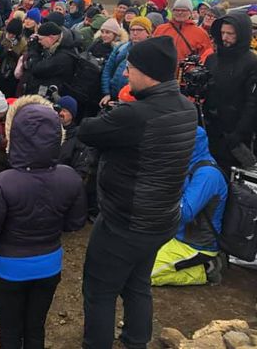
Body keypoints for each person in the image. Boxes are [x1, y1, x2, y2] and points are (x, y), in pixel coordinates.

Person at [78, 36, 198, 349]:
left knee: (99, 290)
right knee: (137, 283)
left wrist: (115, 115)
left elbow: (88, 131)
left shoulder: (135, 115)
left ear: (148, 72)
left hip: (125, 221)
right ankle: (135, 341)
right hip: (161, 217)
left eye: (130, 68)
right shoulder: (187, 108)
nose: (127, 74)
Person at [0, 95, 86, 348]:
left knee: (10, 332)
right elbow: (75, 222)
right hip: (48, 265)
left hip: (8, 268)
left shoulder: (1, 183)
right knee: (35, 329)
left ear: (15, 135)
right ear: (57, 136)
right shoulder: (69, 178)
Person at [151, 127, 227, 286]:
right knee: (129, 260)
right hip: (174, 235)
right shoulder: (187, 164)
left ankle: (205, 269)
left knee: (144, 275)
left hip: (194, 245)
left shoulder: (208, 175)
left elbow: (185, 213)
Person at [204, 12, 257, 169]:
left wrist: (238, 134)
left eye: (230, 34)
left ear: (241, 34)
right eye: (223, 33)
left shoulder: (254, 64)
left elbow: (255, 103)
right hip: (211, 129)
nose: (225, 38)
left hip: (237, 135)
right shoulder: (212, 60)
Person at [99, 16, 152, 106]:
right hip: (114, 96)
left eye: (139, 30)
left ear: (148, 32)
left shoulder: (152, 52)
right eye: (132, 29)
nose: (135, 33)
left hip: (135, 101)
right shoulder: (120, 48)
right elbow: (108, 69)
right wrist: (107, 93)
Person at [19, 22, 77, 97]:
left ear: (51, 37)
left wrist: (33, 50)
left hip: (49, 97)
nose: (39, 42)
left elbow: (37, 69)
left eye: (40, 39)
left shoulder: (63, 57)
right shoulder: (55, 48)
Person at [153, 0, 212, 64]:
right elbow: (152, 51)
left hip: (188, 72)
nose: (180, 12)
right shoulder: (160, 29)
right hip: (163, 72)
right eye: (177, 10)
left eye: (184, 10)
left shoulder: (201, 33)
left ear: (190, 12)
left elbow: (207, 55)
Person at [0, 18, 27, 98]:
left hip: (11, 74)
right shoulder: (1, 35)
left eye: (13, 34)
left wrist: (14, 54)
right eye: (9, 33)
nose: (10, 35)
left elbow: (24, 58)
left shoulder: (23, 43)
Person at [56, 95, 89, 178]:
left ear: (72, 115)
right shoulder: (47, 130)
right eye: (59, 110)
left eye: (64, 111)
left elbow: (80, 167)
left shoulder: (77, 137)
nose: (60, 113)